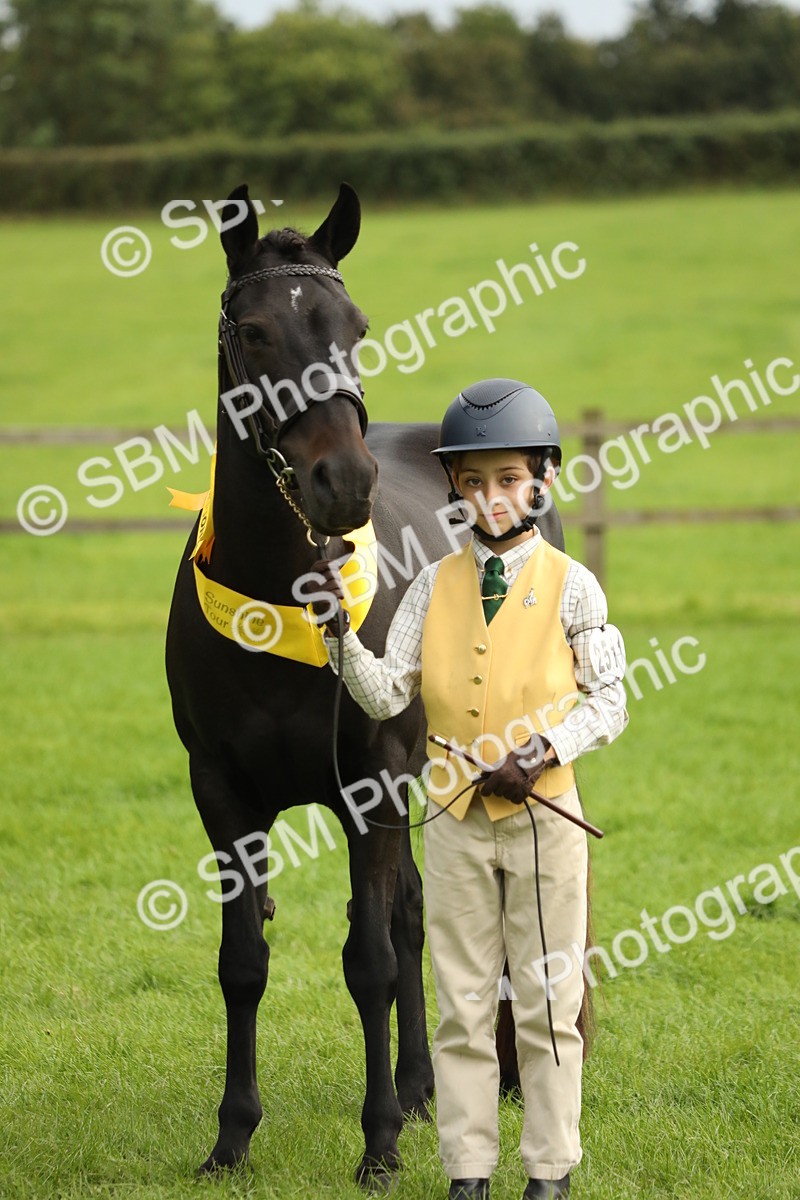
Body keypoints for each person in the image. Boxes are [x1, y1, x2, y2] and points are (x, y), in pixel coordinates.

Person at [310, 378, 628, 1200]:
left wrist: (542, 749)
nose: (492, 498)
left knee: (547, 1002)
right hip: (451, 822)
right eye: (475, 481)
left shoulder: (574, 586)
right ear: (454, 485)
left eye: (509, 480)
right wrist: (341, 638)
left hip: (544, 822)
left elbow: (611, 700)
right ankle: (468, 1171)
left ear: (542, 481)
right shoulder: (429, 586)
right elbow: (386, 695)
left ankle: (549, 1171)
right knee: (460, 1005)